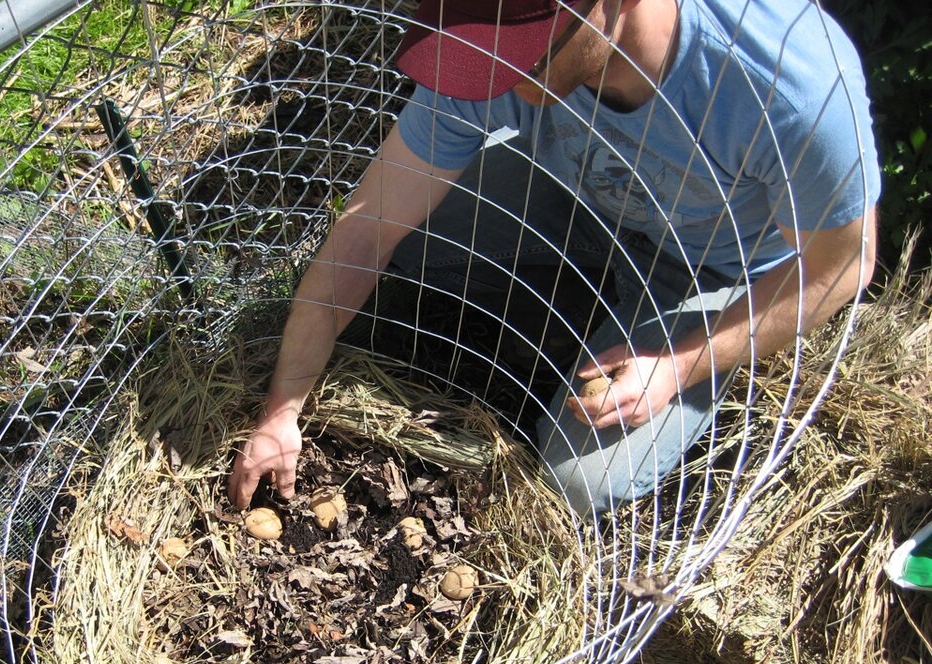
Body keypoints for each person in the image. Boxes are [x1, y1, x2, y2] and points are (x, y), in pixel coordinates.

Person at [228, 0, 880, 517]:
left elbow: (844, 266)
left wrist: (680, 367)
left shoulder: (786, 85)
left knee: (574, 481)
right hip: (567, 193)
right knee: (415, 245)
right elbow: (362, 237)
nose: (490, 71)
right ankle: (575, 307)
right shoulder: (487, 47)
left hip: (701, 268)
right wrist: (282, 410)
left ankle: (622, 334)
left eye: (521, 49)